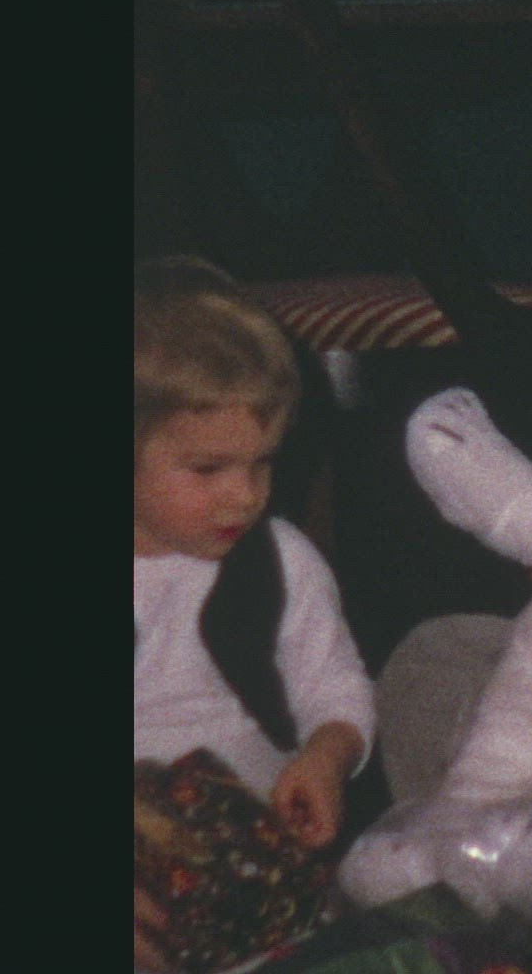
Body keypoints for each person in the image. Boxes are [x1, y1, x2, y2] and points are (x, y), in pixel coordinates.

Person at [134, 256, 378, 973]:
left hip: (258, 862)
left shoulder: (280, 560)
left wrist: (327, 756)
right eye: (208, 469)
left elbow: (335, 686)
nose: (245, 495)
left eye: (263, 462)